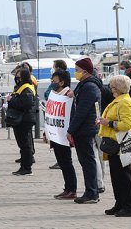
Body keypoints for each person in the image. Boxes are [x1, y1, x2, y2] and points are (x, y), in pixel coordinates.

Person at [97, 75, 131, 217]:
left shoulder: (124, 102)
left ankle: (129, 206)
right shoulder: (119, 100)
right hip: (114, 143)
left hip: (120, 144)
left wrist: (109, 123)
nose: (111, 89)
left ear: (118, 88)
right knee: (116, 176)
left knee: (123, 177)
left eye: (112, 87)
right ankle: (119, 203)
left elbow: (127, 124)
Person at [67, 57, 102, 204]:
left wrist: (71, 130)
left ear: (85, 71)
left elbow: (81, 111)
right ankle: (90, 190)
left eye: (77, 70)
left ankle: (92, 192)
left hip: (85, 129)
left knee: (88, 161)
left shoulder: (89, 87)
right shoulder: (85, 85)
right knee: (86, 161)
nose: (76, 73)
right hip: (84, 128)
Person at [49, 70, 77, 199]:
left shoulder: (68, 94)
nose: (52, 83)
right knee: (61, 161)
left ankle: (72, 189)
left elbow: (71, 114)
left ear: (62, 82)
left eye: (54, 81)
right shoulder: (55, 93)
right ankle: (67, 188)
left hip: (64, 134)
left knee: (66, 162)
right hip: (55, 133)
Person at [8, 69, 36, 176]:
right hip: (20, 119)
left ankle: (27, 167)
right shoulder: (21, 87)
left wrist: (12, 100)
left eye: (19, 76)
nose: (17, 78)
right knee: (23, 145)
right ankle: (23, 166)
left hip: (24, 119)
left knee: (25, 145)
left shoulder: (27, 88)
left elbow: (26, 103)